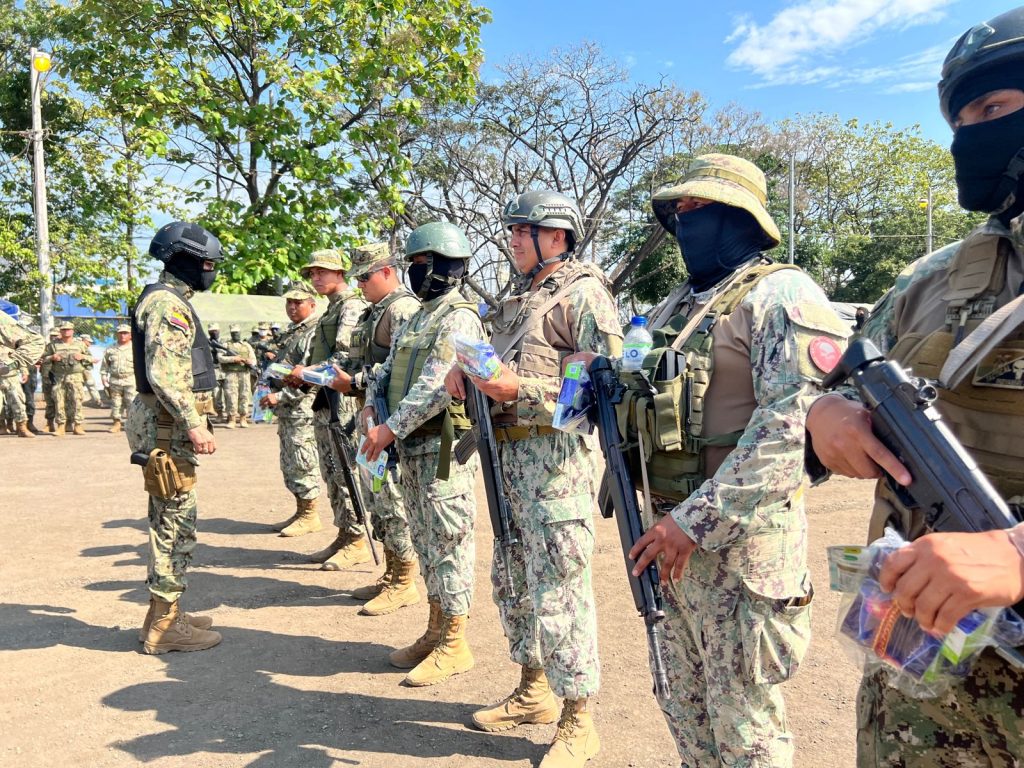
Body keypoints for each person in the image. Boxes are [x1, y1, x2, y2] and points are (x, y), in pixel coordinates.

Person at [805, 9, 1024, 765]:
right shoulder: (934, 279)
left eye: (995, 109)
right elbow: (838, 394)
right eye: (964, 118)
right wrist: (824, 417)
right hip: (916, 691)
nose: (974, 135)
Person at [611, 154, 849, 767]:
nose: (684, 222)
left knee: (746, 729)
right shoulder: (676, 305)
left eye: (697, 209)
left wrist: (694, 522)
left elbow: (789, 430)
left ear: (739, 217)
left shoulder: (783, 294)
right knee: (685, 711)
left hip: (741, 554)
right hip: (665, 541)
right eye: (679, 211)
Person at [444, 191, 621, 767]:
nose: (514, 238)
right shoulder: (521, 302)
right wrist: (467, 372)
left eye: (526, 229)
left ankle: (580, 718)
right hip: (507, 465)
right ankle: (534, 690)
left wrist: (519, 389)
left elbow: (605, 391)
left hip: (554, 470)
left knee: (562, 592)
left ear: (558, 236)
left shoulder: (585, 295)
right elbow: (497, 368)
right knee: (515, 585)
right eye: (514, 229)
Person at [361, 222, 482, 687]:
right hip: (410, 447)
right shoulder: (417, 316)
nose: (413, 272)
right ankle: (435, 628)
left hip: (442, 447)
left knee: (449, 541)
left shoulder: (458, 317)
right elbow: (386, 368)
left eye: (417, 263)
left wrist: (389, 429)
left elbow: (436, 385)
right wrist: (373, 405)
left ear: (439, 265)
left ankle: (455, 641)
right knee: (427, 541)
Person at [126, 220, 221, 655]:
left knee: (168, 518)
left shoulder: (167, 299)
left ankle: (163, 613)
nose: (210, 270)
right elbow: (165, 375)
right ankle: (165, 628)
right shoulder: (169, 305)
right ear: (182, 260)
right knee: (175, 524)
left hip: (164, 426)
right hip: (169, 429)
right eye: (205, 263)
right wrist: (194, 424)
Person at [330, 242, 421, 615]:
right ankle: (391, 570)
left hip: (390, 422)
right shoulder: (375, 311)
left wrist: (354, 381)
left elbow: (402, 369)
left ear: (387, 271)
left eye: (365, 276)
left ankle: (404, 580)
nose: (360, 283)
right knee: (378, 499)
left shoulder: (402, 309)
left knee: (393, 501)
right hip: (370, 418)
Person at [285, 249, 369, 555]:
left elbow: (344, 357)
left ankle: (357, 537)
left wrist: (306, 371)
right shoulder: (333, 308)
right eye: (312, 273)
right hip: (326, 397)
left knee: (345, 468)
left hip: (343, 399)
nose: (315, 277)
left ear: (340, 273)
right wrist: (304, 375)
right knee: (332, 469)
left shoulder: (351, 306)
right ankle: (345, 532)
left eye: (322, 271)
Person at [259, 281, 324, 537]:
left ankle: (310, 514)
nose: (292, 306)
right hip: (288, 409)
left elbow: (311, 377)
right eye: (289, 301)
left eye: (298, 302)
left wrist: (281, 395)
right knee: (290, 462)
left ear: (312, 304)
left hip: (301, 408)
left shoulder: (314, 332)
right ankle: (301, 510)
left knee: (303, 461)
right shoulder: (293, 331)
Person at [43, 321, 93, 436]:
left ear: (73, 331)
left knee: (77, 400)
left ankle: (78, 425)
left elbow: (90, 358)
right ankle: (61, 426)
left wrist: (82, 357)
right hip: (59, 377)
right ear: (60, 331)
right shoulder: (53, 345)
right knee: (59, 400)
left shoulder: (80, 344)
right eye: (63, 329)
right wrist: (52, 357)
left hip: (75, 376)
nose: (66, 332)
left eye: (68, 329)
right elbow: (43, 359)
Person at [0, 309, 44, 439]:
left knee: (17, 399)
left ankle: (22, 427)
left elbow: (34, 342)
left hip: (8, 372)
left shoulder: (8, 337)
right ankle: (2, 426)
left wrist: (16, 366)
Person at [219, 324, 256, 429]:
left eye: (237, 333)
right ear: (231, 334)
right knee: (231, 396)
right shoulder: (226, 345)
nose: (236, 335)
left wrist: (250, 361)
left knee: (244, 395)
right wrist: (233, 359)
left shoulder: (246, 345)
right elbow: (220, 358)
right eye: (234, 333)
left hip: (244, 373)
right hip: (231, 374)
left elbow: (253, 359)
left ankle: (243, 418)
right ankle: (232, 419)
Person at [100, 324, 135, 433]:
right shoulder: (111, 349)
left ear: (130, 335)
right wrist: (103, 376)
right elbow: (105, 365)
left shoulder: (135, 348)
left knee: (132, 402)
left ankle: (132, 424)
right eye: (120, 333)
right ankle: (116, 423)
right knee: (116, 403)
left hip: (131, 379)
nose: (122, 335)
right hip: (115, 380)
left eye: (125, 333)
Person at [207, 323, 226, 421]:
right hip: (214, 371)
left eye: (216, 331)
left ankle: (233, 416)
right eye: (211, 331)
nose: (214, 333)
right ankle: (220, 414)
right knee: (216, 394)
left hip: (226, 371)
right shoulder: (206, 343)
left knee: (230, 394)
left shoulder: (224, 342)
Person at [40, 328, 58, 432]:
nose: (54, 337)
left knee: (64, 401)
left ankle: (67, 423)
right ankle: (49, 423)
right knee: (49, 401)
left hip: (60, 377)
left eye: (56, 335)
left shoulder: (63, 347)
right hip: (47, 377)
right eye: (52, 335)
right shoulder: (46, 346)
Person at [80, 334, 104, 407]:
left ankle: (98, 402)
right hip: (82, 370)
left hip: (85, 370)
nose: (90, 343)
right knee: (90, 384)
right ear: (84, 340)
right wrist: (91, 360)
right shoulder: (79, 347)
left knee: (89, 385)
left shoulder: (84, 348)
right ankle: (98, 402)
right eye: (88, 341)